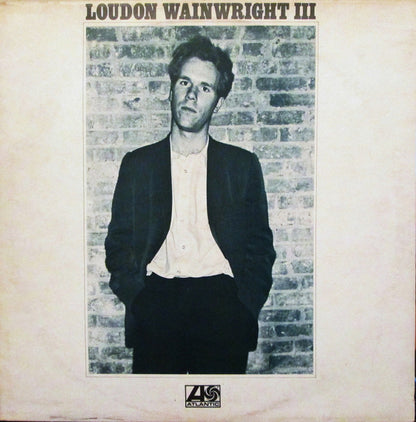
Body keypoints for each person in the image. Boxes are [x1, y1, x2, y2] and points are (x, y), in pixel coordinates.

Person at [105, 35, 276, 374]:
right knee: (158, 403)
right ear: (171, 89)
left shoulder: (242, 166)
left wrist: (244, 308)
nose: (191, 95)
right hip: (156, 305)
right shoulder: (138, 165)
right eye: (185, 82)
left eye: (205, 88)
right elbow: (118, 244)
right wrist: (139, 300)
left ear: (218, 103)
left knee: (215, 402)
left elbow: (260, 248)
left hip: (222, 308)